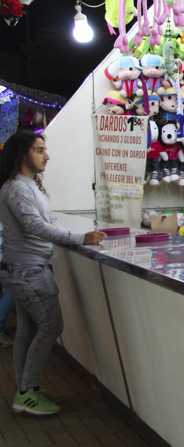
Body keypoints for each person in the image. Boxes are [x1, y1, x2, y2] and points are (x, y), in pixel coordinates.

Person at [0, 131, 106, 415]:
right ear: (23, 154)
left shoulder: (25, 185)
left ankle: (27, 391)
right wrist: (80, 237)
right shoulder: (17, 188)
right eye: (39, 150)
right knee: (50, 327)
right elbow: (35, 227)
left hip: (25, 268)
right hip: (28, 271)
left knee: (27, 329)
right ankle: (27, 393)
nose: (47, 156)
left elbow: (42, 221)